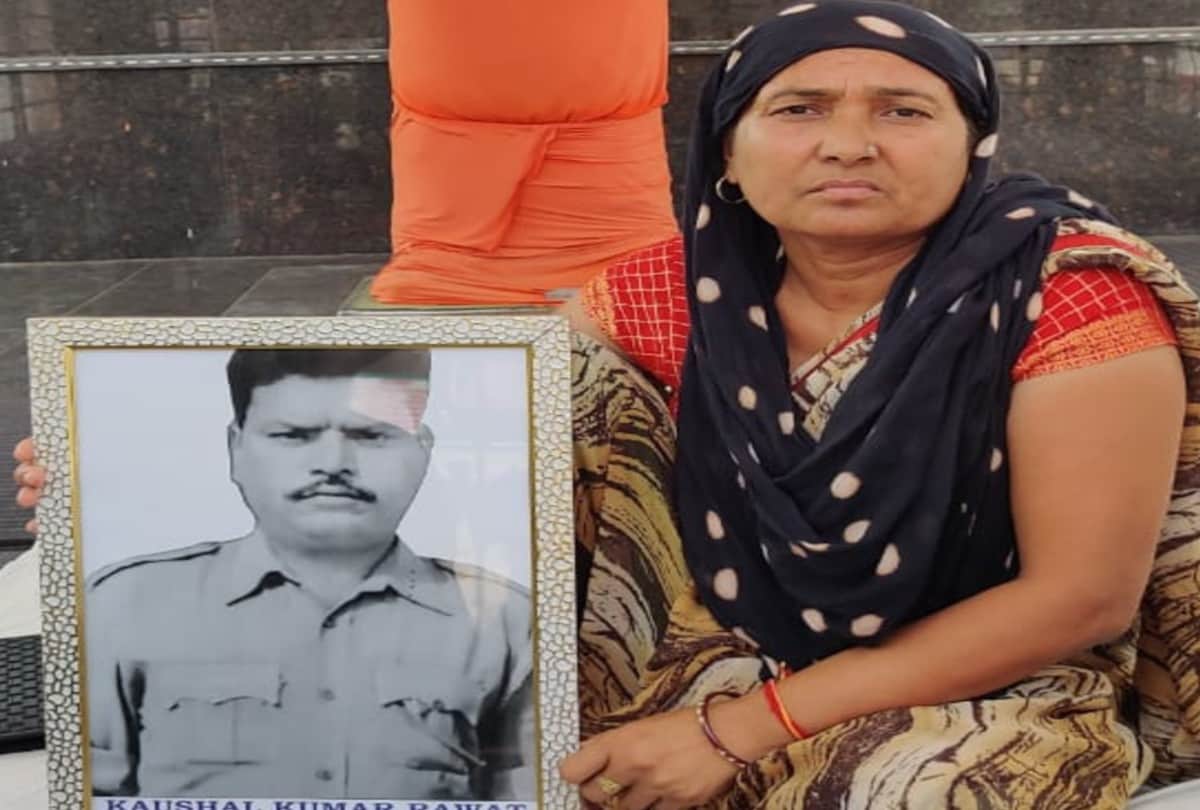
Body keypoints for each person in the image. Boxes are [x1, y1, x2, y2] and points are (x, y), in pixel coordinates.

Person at [14, 2, 1200, 808]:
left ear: (973, 144)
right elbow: (456, 414)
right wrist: (118, 463)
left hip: (984, 671)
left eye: (904, 109)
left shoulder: (1065, 298)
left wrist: (735, 732)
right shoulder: (672, 286)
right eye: (798, 109)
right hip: (717, 633)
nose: (850, 142)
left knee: (914, 792)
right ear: (728, 153)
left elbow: (1073, 597)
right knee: (548, 391)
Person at [25, 348, 534, 801]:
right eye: (293, 436)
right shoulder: (125, 603)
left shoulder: (506, 619)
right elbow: (87, 790)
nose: (334, 464)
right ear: (236, 449)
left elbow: (531, 794)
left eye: (371, 435)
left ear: (422, 452)